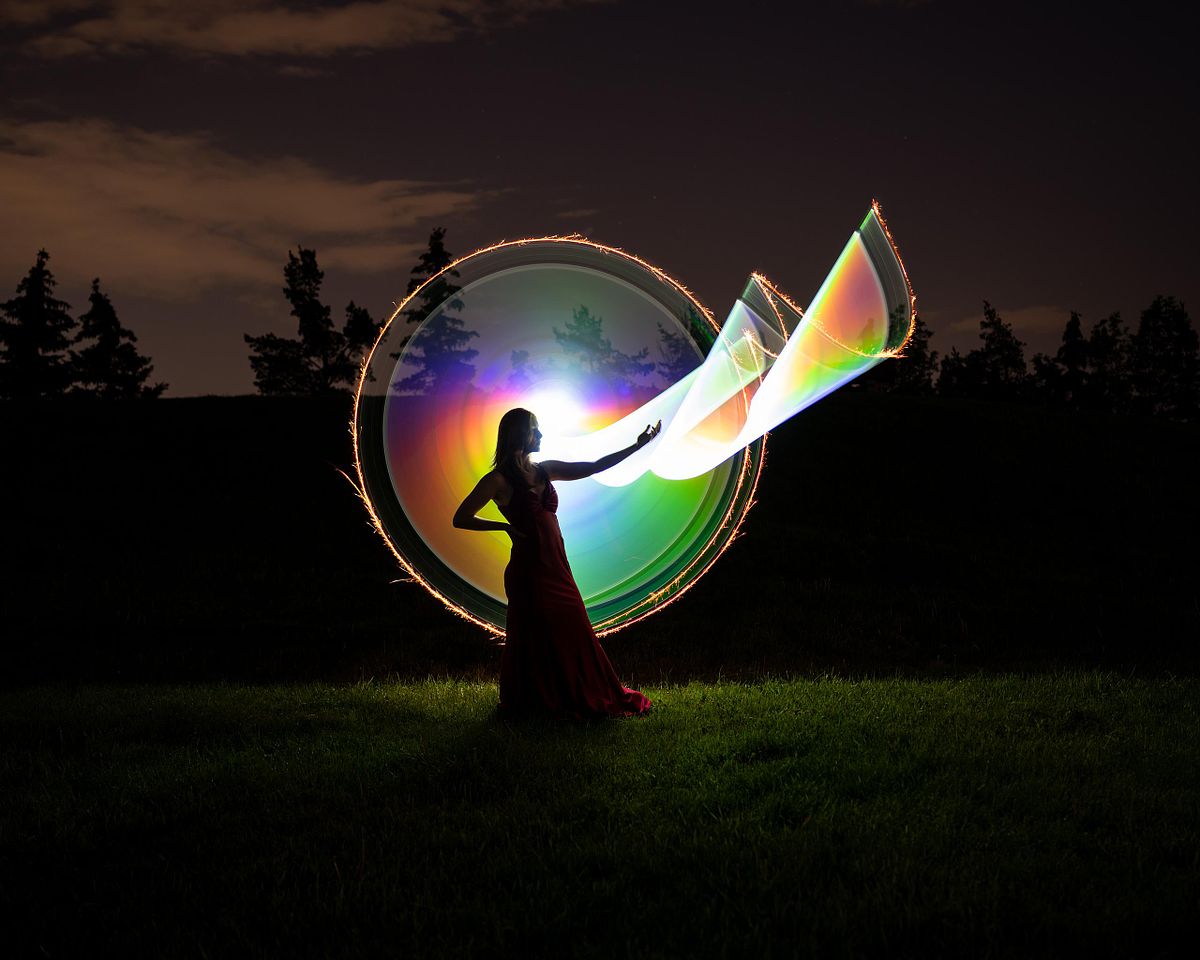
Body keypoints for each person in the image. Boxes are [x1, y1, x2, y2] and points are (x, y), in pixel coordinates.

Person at [453, 407, 661, 719]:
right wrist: (504, 527)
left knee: (573, 627)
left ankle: (576, 694)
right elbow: (461, 518)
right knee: (533, 634)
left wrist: (638, 445)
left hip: (557, 566)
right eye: (535, 429)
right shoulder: (497, 481)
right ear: (519, 434)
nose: (540, 435)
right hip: (529, 569)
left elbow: (592, 467)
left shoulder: (543, 470)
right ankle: (535, 702)